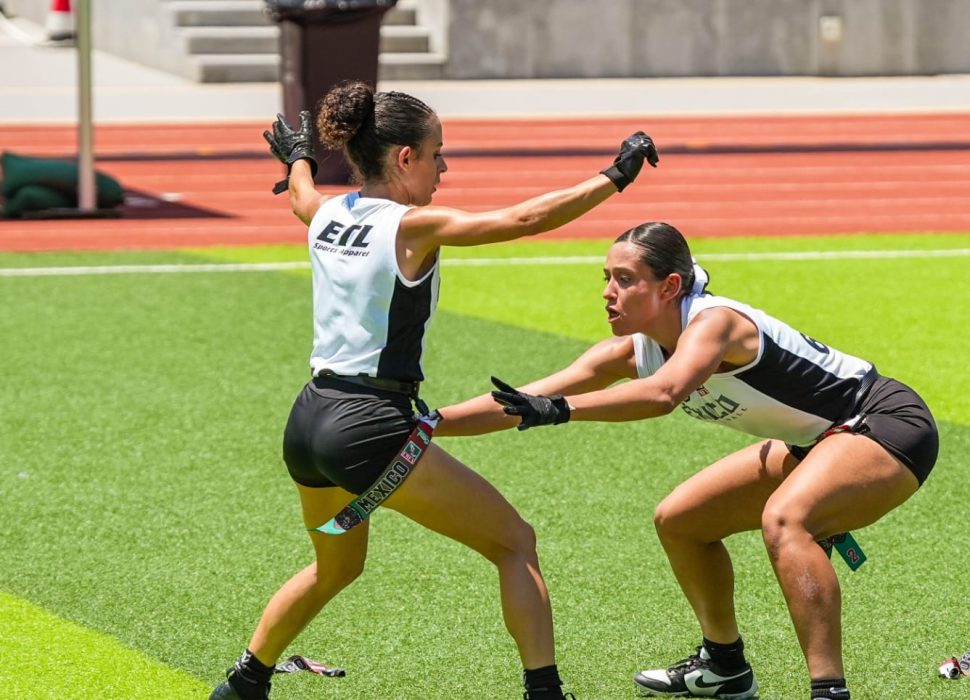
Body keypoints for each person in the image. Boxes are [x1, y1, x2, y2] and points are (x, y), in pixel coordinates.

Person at [209, 81, 658, 700]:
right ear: (403, 159)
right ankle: (545, 693)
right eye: (437, 152)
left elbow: (301, 197)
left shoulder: (328, 213)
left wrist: (296, 158)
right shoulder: (413, 227)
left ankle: (243, 684)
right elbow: (523, 220)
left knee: (336, 566)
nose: (444, 167)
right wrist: (616, 176)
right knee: (514, 542)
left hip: (308, 421)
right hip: (369, 426)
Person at [435, 222, 939, 700]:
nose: (608, 291)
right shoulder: (629, 353)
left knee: (788, 520)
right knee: (680, 520)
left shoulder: (715, 324)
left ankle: (829, 690)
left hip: (882, 421)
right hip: (814, 441)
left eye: (625, 279)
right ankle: (724, 666)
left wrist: (560, 411)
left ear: (670, 285)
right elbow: (524, 397)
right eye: (606, 278)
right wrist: (427, 422)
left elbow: (662, 395)